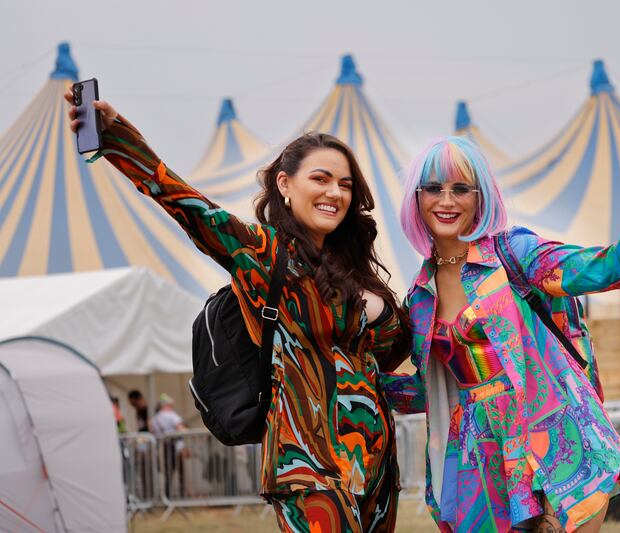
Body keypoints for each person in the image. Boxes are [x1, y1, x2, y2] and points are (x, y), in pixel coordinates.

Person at [66, 94, 409, 532]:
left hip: (377, 465)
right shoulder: (263, 255)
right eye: (320, 179)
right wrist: (117, 138)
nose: (334, 192)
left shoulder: (357, 271)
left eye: (345, 184)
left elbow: (379, 367)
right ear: (285, 185)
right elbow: (186, 204)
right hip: (309, 465)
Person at [381, 136, 620, 532]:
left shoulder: (512, 254)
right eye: (433, 188)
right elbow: (428, 392)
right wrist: (358, 383)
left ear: (480, 197)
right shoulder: (419, 297)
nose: (446, 200)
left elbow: (609, 267)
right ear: (417, 197)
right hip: (477, 460)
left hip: (547, 435)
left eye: (460, 188)